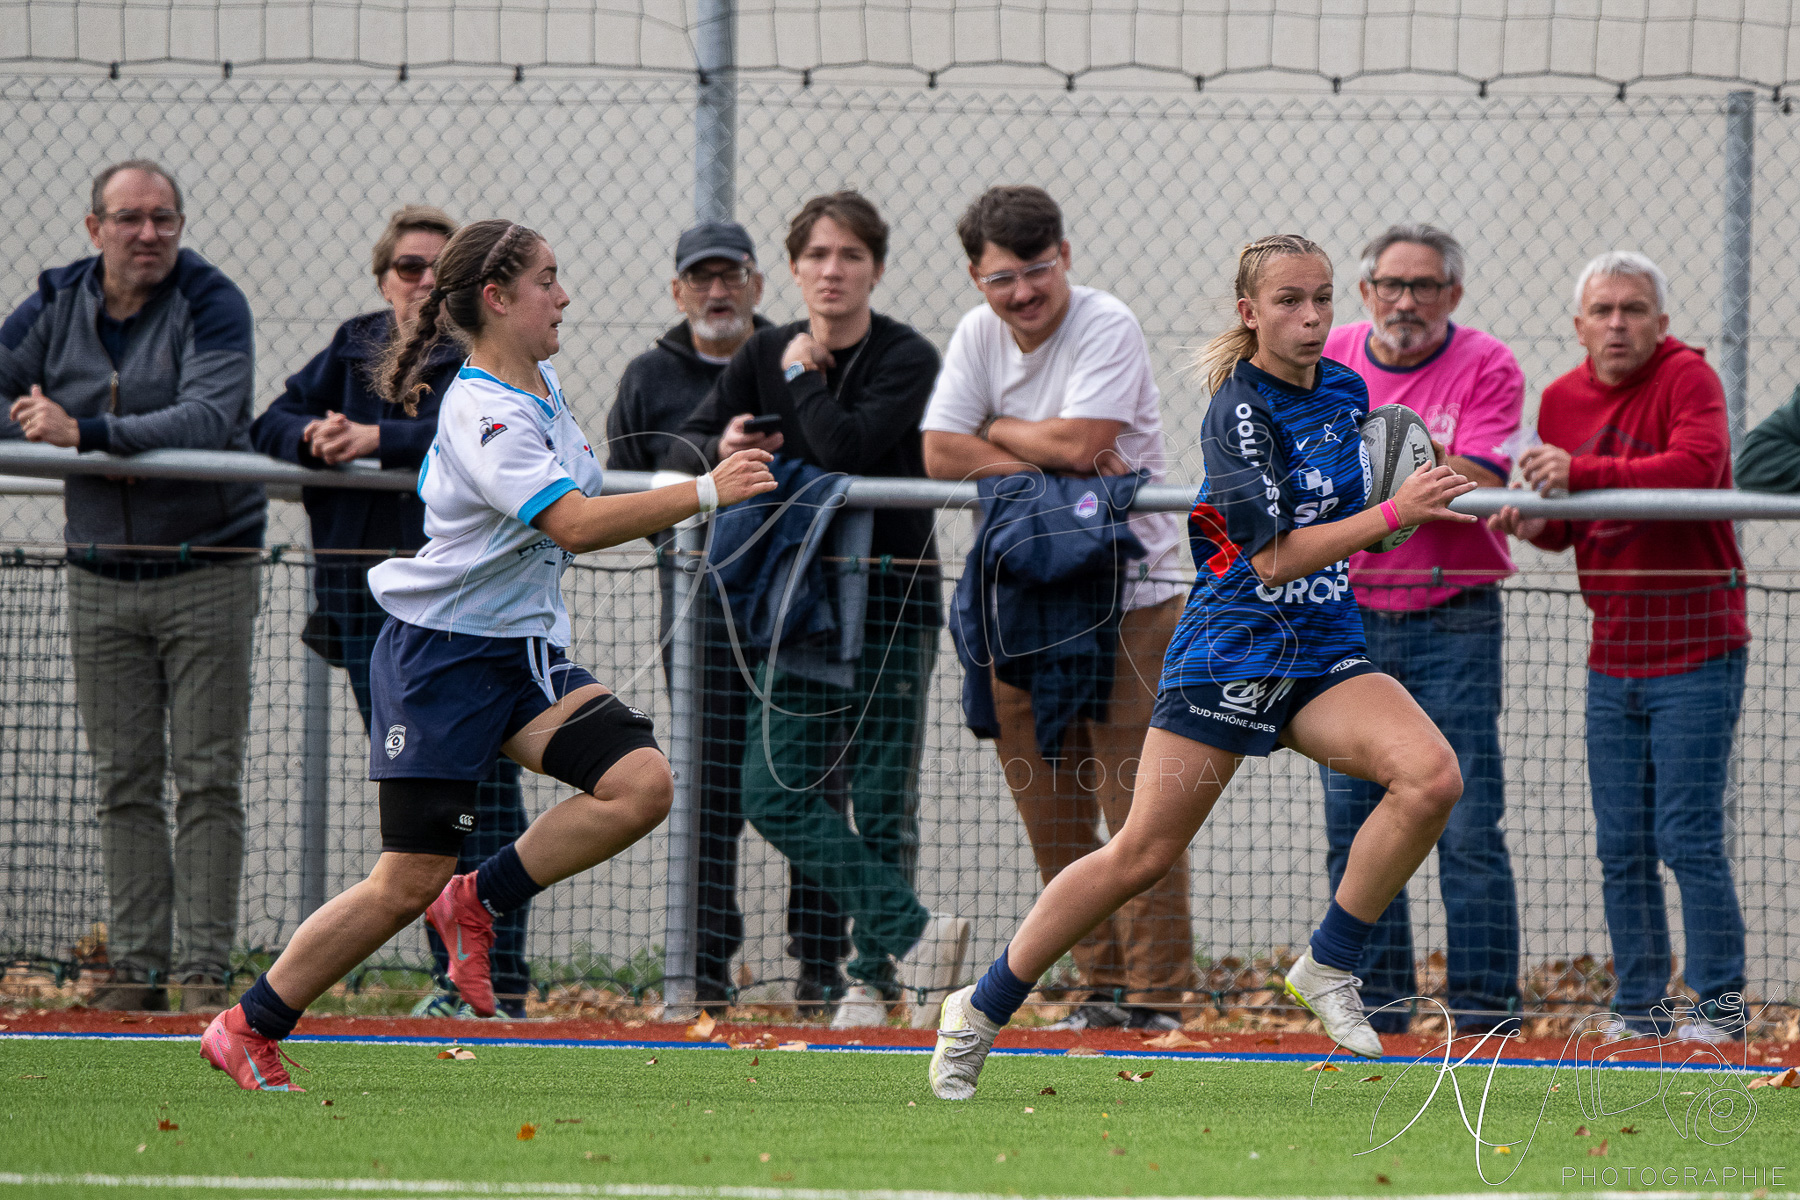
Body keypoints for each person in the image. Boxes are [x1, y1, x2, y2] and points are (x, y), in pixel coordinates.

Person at [199, 218, 777, 1090]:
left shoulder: (539, 385)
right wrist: (703, 491)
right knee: (403, 880)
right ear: (497, 298)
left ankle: (479, 899)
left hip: (519, 656)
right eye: (548, 278)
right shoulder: (481, 409)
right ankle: (250, 1022)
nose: (566, 295)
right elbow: (574, 525)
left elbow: (579, 501)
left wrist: (691, 485)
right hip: (443, 662)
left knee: (640, 784)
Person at [929, 234, 1478, 1100]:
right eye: (1290, 301)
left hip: (1324, 648)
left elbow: (1354, 513)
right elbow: (1270, 560)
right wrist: (1392, 515)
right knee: (1141, 852)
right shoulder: (1238, 412)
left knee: (1431, 776)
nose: (1310, 317)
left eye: (1323, 298)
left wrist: (1396, 504)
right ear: (1249, 313)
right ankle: (981, 1006)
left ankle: (1329, 965)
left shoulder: (1346, 389)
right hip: (1230, 650)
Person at [675, 192, 966, 1028]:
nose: (832, 271)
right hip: (795, 606)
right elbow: (681, 443)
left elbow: (844, 448)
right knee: (772, 790)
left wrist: (804, 376)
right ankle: (914, 935)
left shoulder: (906, 356)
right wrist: (723, 444)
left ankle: (871, 982)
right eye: (817, 257)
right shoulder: (761, 351)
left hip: (889, 598)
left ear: (873, 267)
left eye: (849, 257)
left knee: (881, 798)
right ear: (794, 268)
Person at [250, 205, 536, 1020]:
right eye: (408, 268)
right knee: (417, 834)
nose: (421, 281)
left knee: (491, 804)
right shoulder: (351, 343)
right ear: (385, 278)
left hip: (473, 627)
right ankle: (445, 986)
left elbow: (467, 445)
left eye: (435, 269)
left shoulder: (482, 361)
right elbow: (266, 421)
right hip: (372, 619)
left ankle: (494, 984)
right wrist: (319, 435)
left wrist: (375, 439)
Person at [920, 186, 1194, 1031]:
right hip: (1020, 601)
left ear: (1065, 257)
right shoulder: (975, 334)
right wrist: (1053, 466)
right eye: (1003, 278)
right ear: (976, 276)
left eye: (1039, 270)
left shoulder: (1106, 321)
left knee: (1138, 812)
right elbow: (936, 452)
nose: (1024, 293)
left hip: (1134, 596)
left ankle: (1152, 999)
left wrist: (998, 427)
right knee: (1052, 812)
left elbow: (1084, 443)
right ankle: (1098, 990)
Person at [0, 159, 264, 1014]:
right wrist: (31, 421)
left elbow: (209, 416)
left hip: (208, 567)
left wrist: (85, 432)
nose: (148, 235)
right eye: (129, 219)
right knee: (122, 780)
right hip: (98, 576)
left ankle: (198, 976)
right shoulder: (54, 303)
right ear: (94, 228)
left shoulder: (213, 302)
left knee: (208, 777)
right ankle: (139, 970)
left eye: (163, 219)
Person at [1490, 252, 1750, 1043]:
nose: (1617, 323)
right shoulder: (1562, 398)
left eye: (1633, 309)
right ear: (1578, 326)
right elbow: (1569, 519)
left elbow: (1697, 470)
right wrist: (1532, 519)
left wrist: (1579, 473)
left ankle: (1720, 1009)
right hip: (1614, 653)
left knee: (1688, 836)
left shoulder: (1689, 380)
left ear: (1661, 323)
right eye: (1602, 311)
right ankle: (1640, 1008)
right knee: (1621, 845)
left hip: (1700, 645)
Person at [606, 221, 840, 1012]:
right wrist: (715, 450)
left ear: (757, 285)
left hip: (798, 609)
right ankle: (703, 974)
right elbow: (625, 491)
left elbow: (839, 448)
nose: (716, 292)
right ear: (677, 292)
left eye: (730, 276)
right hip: (699, 618)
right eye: (699, 279)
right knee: (704, 787)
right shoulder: (647, 375)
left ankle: (821, 970)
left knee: (809, 778)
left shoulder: (796, 354)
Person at [1316, 224, 1524, 1036]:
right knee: (1353, 820)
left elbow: (1483, 477)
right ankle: (1380, 1008)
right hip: (1346, 616)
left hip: (1454, 614)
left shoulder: (1488, 362)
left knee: (1466, 821)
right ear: (1366, 292)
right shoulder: (1329, 355)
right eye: (1391, 285)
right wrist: (1412, 484)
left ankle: (1484, 1012)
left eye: (1426, 287)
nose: (1407, 301)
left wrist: (1371, 489)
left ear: (1453, 296)